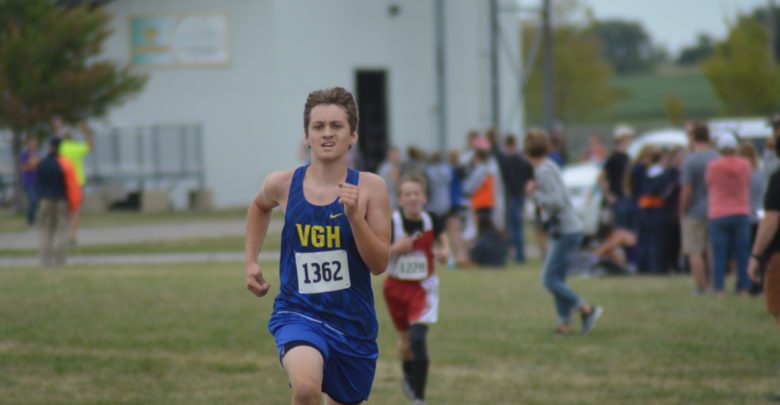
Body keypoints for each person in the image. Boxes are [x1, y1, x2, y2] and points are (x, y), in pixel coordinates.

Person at [243, 87, 391, 405]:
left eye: (336, 126)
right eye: (318, 126)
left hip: (352, 323)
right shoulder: (283, 183)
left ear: (352, 135)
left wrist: (355, 217)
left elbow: (379, 264)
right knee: (307, 389)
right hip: (299, 313)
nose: (327, 134)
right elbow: (259, 206)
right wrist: (251, 261)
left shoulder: (371, 188)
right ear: (307, 136)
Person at [524, 128, 603, 335]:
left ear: (526, 151)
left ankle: (587, 309)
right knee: (557, 278)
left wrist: (536, 194)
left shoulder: (542, 172)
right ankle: (564, 324)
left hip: (566, 231)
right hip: (568, 229)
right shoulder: (549, 165)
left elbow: (556, 201)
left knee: (548, 279)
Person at [383, 175, 449, 405]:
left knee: (418, 339)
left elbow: (442, 237)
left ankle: (419, 399)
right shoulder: (392, 223)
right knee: (405, 342)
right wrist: (395, 248)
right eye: (407, 194)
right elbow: (376, 254)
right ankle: (408, 374)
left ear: (424, 197)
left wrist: (444, 251)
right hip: (395, 288)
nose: (412, 198)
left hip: (423, 288)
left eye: (416, 193)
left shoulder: (432, 219)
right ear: (400, 200)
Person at [706, 133, 752, 296]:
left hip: (718, 212)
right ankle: (745, 288)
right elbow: (748, 182)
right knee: (742, 253)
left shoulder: (713, 166)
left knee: (719, 253)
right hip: (740, 210)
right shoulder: (745, 165)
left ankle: (719, 288)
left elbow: (709, 183)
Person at [680, 121, 719, 294]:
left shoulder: (691, 160)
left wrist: (682, 209)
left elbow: (687, 189)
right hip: (716, 207)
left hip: (695, 209)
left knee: (694, 249)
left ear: (693, 137)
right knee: (711, 248)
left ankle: (701, 286)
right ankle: (714, 283)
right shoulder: (716, 157)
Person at [488, 132, 534, 263]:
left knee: (513, 227)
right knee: (517, 226)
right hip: (520, 194)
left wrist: (493, 143)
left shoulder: (506, 160)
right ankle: (519, 254)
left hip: (510, 195)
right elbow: (530, 176)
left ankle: (516, 253)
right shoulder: (522, 159)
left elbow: (496, 154)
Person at [37, 137, 81, 267]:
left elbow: (38, 183)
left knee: (46, 230)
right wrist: (74, 203)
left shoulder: (42, 163)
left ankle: (45, 261)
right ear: (60, 147)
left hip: (45, 200)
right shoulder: (65, 164)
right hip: (61, 200)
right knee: (62, 230)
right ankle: (60, 261)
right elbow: (72, 185)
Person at [57, 119, 93, 245]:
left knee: (65, 211)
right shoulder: (77, 148)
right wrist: (86, 132)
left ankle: (65, 235)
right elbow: (89, 146)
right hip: (77, 183)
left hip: (64, 183)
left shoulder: (61, 148)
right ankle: (73, 236)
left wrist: (57, 127)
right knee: (75, 211)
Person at [738, 142, 766, 295]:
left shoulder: (743, 173)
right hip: (758, 215)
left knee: (747, 253)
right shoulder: (759, 173)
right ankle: (757, 284)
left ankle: (749, 284)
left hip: (746, 215)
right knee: (757, 253)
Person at [599, 125, 634, 230]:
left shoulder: (627, 157)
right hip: (617, 197)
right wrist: (608, 195)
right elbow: (601, 178)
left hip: (625, 197)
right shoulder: (613, 158)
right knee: (619, 228)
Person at [19, 135, 40, 226]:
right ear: (28, 144)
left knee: (36, 200)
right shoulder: (24, 154)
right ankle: (30, 220)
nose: (33, 145)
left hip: (37, 181)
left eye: (34, 143)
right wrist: (33, 165)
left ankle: (33, 219)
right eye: (31, 143)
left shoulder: (37, 154)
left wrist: (35, 164)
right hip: (28, 181)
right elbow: (24, 167)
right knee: (32, 200)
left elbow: (38, 166)